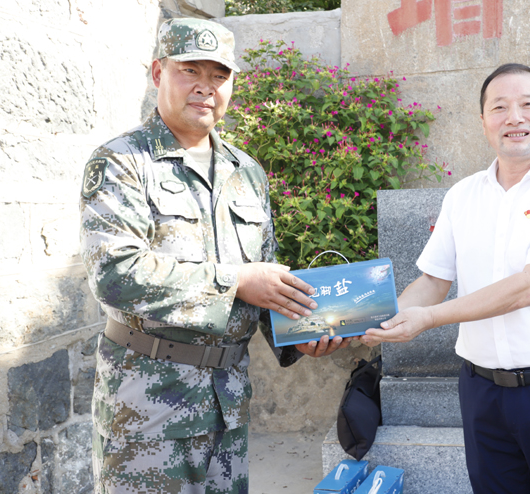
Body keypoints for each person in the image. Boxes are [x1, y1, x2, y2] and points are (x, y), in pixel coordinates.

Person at [80, 18, 348, 494]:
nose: (206, 87)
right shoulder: (122, 161)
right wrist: (235, 281)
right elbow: (115, 273)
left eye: (219, 76)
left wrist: (300, 336)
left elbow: (265, 278)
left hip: (227, 402)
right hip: (147, 407)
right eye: (191, 71)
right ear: (158, 73)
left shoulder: (246, 172)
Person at [363, 64, 530, 494]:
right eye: (499, 107)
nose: (514, 117)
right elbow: (432, 282)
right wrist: (365, 322)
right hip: (482, 393)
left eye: (528, 104)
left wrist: (429, 318)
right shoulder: (463, 195)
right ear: (483, 122)